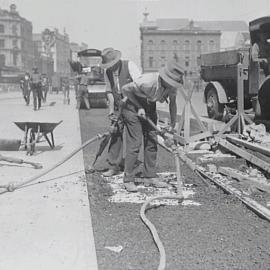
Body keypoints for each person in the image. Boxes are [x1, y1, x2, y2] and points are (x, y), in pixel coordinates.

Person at [121, 60, 183, 192]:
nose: (173, 86)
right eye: (171, 83)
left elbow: (172, 103)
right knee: (135, 143)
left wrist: (172, 125)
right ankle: (128, 179)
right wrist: (139, 107)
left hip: (149, 107)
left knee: (152, 141)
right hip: (132, 107)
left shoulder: (172, 86)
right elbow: (125, 90)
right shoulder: (148, 80)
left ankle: (149, 175)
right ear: (164, 78)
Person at [100, 48, 141, 177]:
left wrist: (126, 98)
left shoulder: (129, 65)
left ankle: (131, 168)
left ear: (116, 61)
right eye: (108, 66)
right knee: (115, 134)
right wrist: (111, 109)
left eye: (111, 65)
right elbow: (109, 91)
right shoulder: (107, 72)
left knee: (133, 138)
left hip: (133, 106)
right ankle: (113, 166)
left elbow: (138, 85)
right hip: (118, 107)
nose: (110, 68)